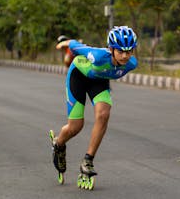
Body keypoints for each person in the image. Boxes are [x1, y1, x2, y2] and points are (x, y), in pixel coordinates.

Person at [51, 26, 138, 181]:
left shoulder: (131, 63)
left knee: (103, 114)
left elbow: (112, 70)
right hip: (78, 76)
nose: (125, 56)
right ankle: (58, 144)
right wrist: (64, 43)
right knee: (75, 127)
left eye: (129, 51)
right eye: (120, 51)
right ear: (111, 49)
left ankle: (88, 160)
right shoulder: (97, 56)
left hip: (98, 81)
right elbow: (75, 45)